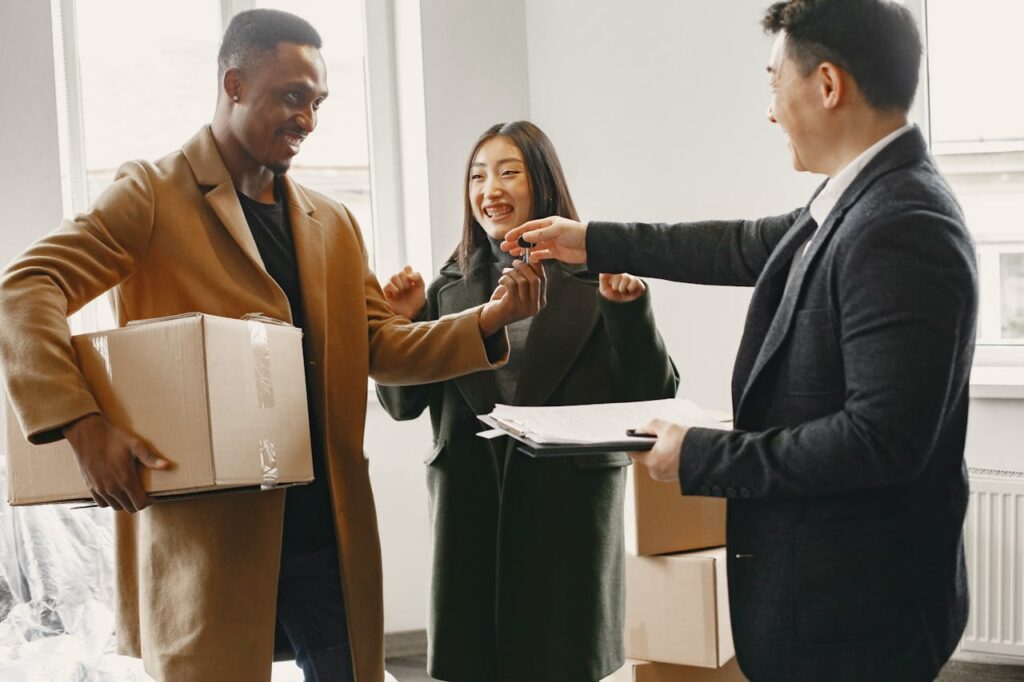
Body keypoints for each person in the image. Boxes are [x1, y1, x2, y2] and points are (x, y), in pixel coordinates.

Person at [0, 10, 545, 682]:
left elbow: (381, 344)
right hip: (210, 542)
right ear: (233, 83)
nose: (308, 120)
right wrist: (82, 427)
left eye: (317, 102)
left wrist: (487, 322)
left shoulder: (335, 223)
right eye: (292, 97)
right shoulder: (150, 193)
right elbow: (25, 286)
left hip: (327, 539)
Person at [503, 2, 977, 680]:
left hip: (858, 618)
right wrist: (593, 241)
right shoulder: (860, 197)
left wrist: (703, 455)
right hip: (837, 604)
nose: (770, 108)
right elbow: (744, 245)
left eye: (772, 79)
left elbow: (881, 440)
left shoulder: (902, 225)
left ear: (828, 84)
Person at [376, 121, 678, 682]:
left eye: (508, 172)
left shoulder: (599, 278)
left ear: (542, 184)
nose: (489, 188)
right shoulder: (445, 290)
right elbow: (401, 406)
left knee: (560, 662)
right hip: (470, 504)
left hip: (566, 512)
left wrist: (628, 313)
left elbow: (651, 399)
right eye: (477, 175)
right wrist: (407, 322)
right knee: (476, 662)